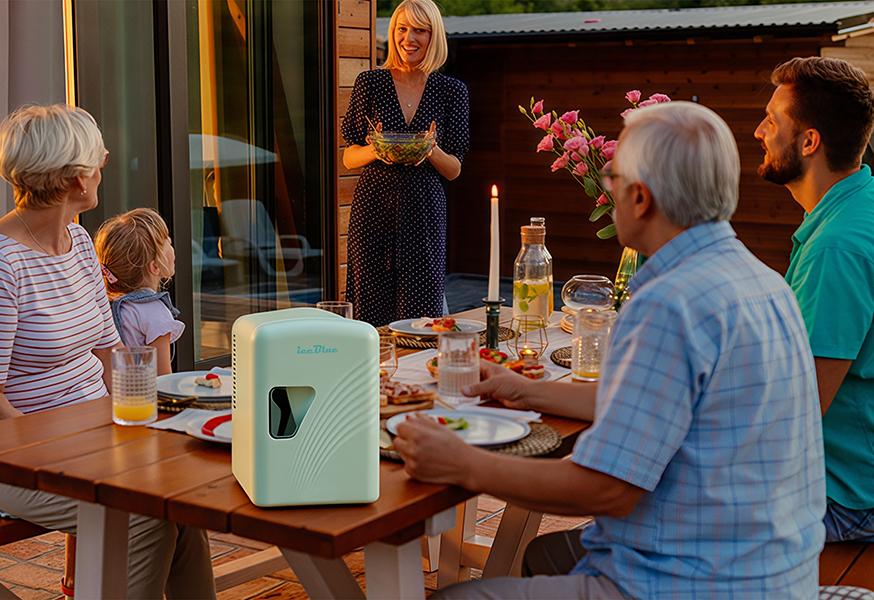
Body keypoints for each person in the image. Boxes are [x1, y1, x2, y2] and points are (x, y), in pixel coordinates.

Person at [395, 101, 825, 598]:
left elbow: (605, 489)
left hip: (686, 584)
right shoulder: (765, 282)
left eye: (613, 179)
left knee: (455, 596)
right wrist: (525, 390)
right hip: (775, 574)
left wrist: (462, 464)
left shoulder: (669, 302)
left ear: (640, 198)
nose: (608, 190)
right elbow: (654, 404)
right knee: (541, 556)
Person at [0, 104, 216, 599]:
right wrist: (69, 452)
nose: (104, 165)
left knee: (182, 500)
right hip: (15, 462)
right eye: (99, 159)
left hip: (96, 441)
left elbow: (111, 353)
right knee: (144, 517)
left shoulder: (76, 241)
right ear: (76, 180)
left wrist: (151, 424)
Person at [755, 56, 874, 543]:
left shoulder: (837, 247)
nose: (759, 131)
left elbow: (795, 410)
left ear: (809, 142)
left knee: (655, 512)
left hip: (845, 496)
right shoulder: (857, 205)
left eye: (772, 120)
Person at [341, 0, 469, 326]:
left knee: (421, 318)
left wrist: (431, 150)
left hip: (424, 214)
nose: (408, 38)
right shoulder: (370, 83)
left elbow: (454, 169)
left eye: (419, 30)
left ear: (433, 36)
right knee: (368, 314)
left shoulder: (451, 91)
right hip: (373, 210)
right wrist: (377, 150)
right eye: (402, 28)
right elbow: (349, 157)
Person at [95, 207, 182, 376]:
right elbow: (162, 377)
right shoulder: (155, 312)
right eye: (166, 241)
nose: (170, 240)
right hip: (141, 392)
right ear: (155, 267)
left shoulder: (103, 306)